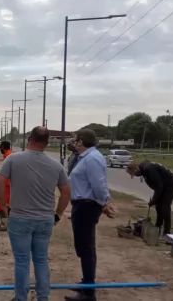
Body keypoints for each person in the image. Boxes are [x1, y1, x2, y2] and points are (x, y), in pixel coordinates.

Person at [0, 126, 71, 301]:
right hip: (45, 220)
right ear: (46, 143)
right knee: (41, 260)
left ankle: (21, 297)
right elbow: (66, 193)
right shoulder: (55, 165)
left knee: (22, 261)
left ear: (29, 139)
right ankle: (43, 297)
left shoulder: (13, 159)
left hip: (20, 218)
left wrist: (5, 206)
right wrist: (58, 214)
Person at [65, 128, 115, 301]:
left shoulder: (92, 158)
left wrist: (104, 204)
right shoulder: (85, 158)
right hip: (81, 205)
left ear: (81, 141)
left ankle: (88, 292)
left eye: (75, 139)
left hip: (87, 207)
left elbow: (99, 185)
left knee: (86, 249)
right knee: (83, 247)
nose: (73, 142)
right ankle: (86, 282)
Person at [126, 160, 173, 239]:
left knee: (165, 207)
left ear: (137, 169)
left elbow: (159, 186)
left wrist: (153, 200)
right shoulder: (144, 167)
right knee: (158, 206)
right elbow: (158, 186)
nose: (136, 176)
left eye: (135, 174)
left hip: (171, 184)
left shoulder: (149, 169)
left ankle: (167, 232)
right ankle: (157, 228)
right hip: (164, 185)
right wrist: (155, 201)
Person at [0, 141, 13, 227]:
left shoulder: (8, 156)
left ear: (3, 147)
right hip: (10, 184)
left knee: (1, 203)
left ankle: (5, 223)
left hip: (7, 185)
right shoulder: (11, 154)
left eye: (1, 148)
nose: (0, 150)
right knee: (8, 203)